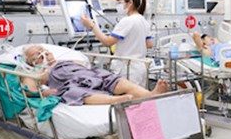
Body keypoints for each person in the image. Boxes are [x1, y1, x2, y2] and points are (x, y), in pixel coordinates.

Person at [21, 45, 168, 106]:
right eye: (37, 55)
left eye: (44, 51)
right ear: (31, 62)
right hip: (70, 83)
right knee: (74, 93)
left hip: (90, 74)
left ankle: (150, 94)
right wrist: (44, 91)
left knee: (115, 80)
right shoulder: (37, 72)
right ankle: (117, 100)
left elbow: (84, 65)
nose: (43, 55)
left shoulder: (65, 60)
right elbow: (29, 90)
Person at [80, 0, 151, 86]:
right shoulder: (143, 20)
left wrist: (91, 26)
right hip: (140, 68)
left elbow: (107, 42)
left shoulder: (127, 21)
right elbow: (149, 44)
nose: (118, 6)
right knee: (140, 94)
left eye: (119, 2)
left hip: (128, 70)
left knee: (127, 95)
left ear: (130, 3)